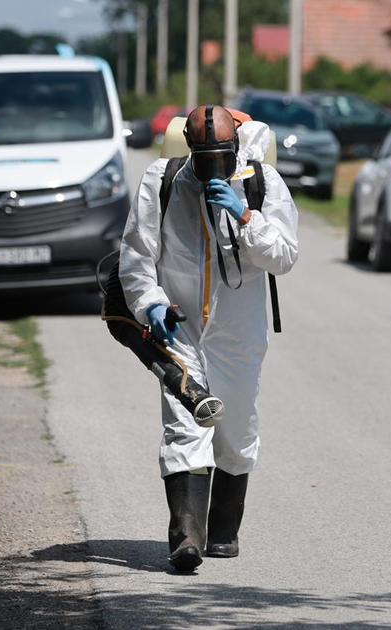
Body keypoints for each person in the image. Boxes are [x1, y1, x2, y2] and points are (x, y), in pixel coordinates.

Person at [119, 105, 298, 572]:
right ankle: (186, 539)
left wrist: (246, 216)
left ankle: (223, 531)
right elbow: (137, 254)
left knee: (235, 433)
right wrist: (151, 304)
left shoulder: (262, 183)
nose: (213, 167)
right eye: (205, 158)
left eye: (222, 157)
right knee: (184, 423)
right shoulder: (163, 181)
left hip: (238, 332)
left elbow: (284, 256)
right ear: (191, 152)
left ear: (235, 150)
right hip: (179, 329)